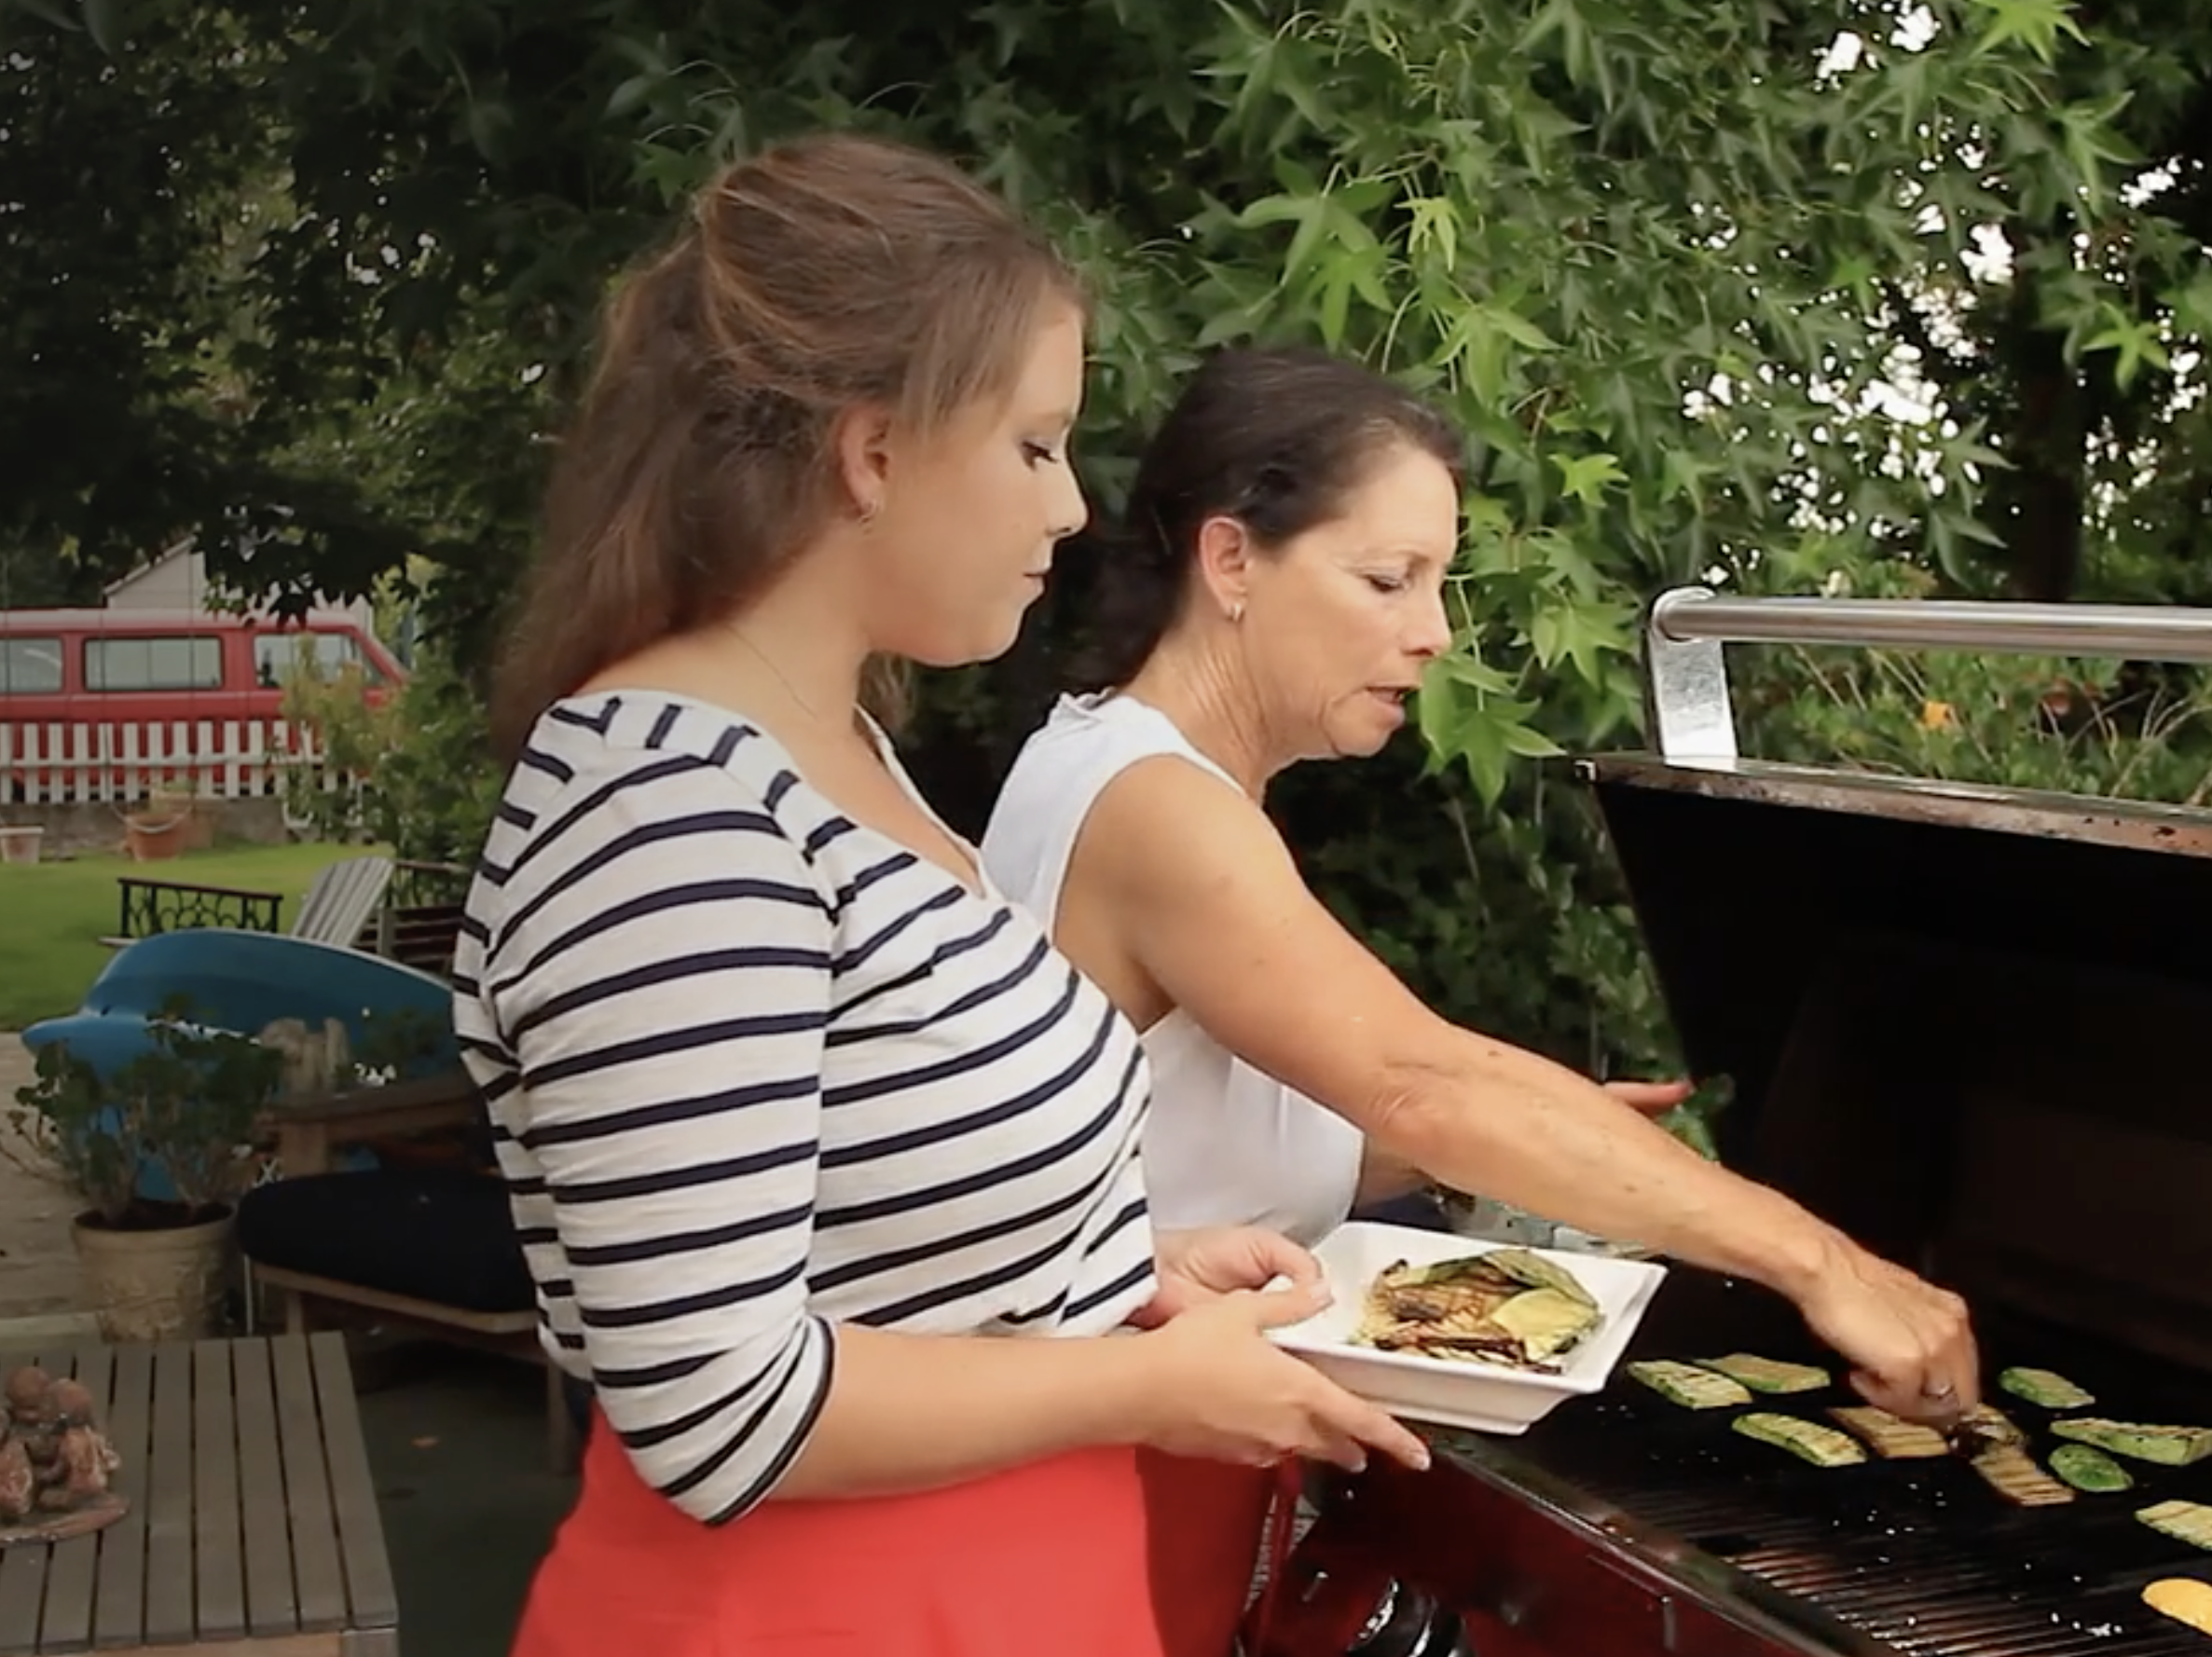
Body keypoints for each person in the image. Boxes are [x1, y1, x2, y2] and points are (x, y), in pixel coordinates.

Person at [454, 137, 1426, 1657]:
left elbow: (866, 1229)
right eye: (1036, 445)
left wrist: (1121, 1277)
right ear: (875, 450)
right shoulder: (672, 810)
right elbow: (717, 1404)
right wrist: (1142, 1385)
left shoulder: (842, 749)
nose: (1068, 511)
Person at [982, 346, 1982, 1650]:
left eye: (1436, 582)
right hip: (1089, 1501)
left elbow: (1185, 1114)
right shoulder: (1157, 803)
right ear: (1229, 561)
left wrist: (1574, 1139)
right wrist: (1822, 1260)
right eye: (1386, 578)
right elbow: (1423, 1081)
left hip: (1145, 1470)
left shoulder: (1114, 758)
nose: (1433, 631)